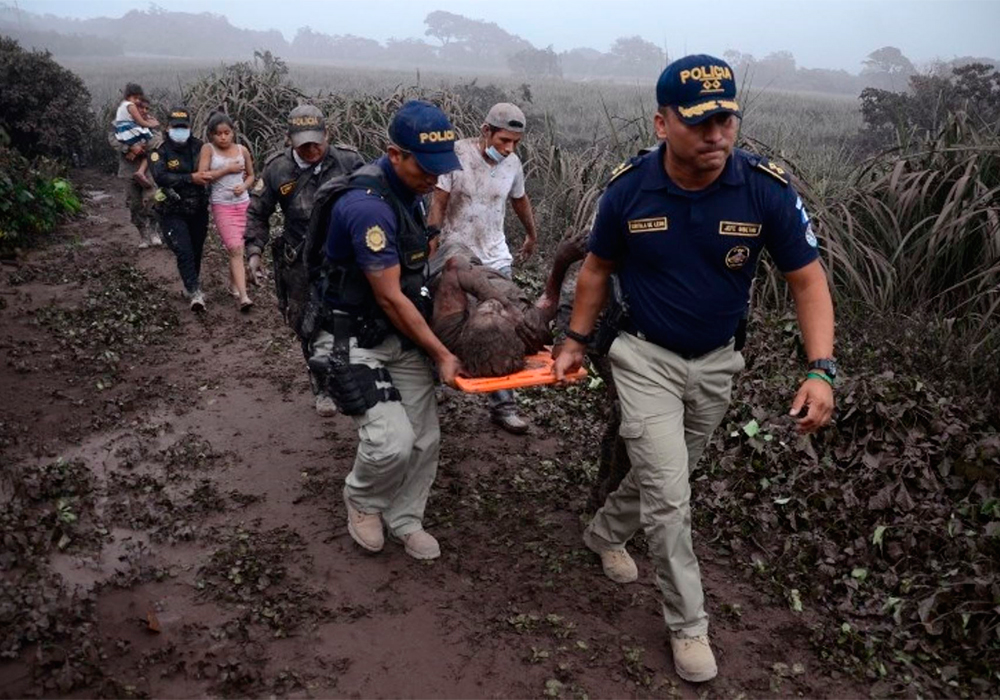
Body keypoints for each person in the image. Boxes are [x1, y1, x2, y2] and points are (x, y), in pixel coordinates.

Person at [553, 55, 837, 684]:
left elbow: (807, 280)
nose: (716, 135)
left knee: (670, 473)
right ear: (662, 123)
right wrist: (575, 339)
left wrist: (821, 369)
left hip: (716, 363)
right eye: (701, 121)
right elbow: (596, 270)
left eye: (727, 120)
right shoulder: (628, 189)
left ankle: (603, 533)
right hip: (642, 355)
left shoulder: (764, 188)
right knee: (671, 496)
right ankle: (689, 627)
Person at [305, 100, 462, 561]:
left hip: (399, 334)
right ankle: (363, 501)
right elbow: (391, 296)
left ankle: (406, 517)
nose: (434, 178)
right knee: (390, 442)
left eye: (440, 169)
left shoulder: (410, 191)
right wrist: (441, 353)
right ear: (395, 154)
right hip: (352, 336)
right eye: (425, 168)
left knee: (425, 438)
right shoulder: (365, 208)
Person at [245, 104, 364, 415]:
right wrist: (254, 251)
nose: (312, 150)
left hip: (346, 257)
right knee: (307, 324)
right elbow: (257, 213)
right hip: (300, 259)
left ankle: (354, 376)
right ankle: (321, 386)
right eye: (303, 144)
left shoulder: (349, 162)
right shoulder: (277, 170)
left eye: (317, 142)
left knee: (351, 319)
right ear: (289, 140)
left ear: (328, 134)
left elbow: (374, 199)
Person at [428, 102, 539, 433]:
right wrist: (431, 245)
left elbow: (519, 199)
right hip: (456, 258)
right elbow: (439, 201)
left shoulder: (513, 164)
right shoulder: (456, 155)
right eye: (504, 140)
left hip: (494, 259)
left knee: (503, 330)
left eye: (515, 143)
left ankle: (504, 405)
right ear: (485, 130)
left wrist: (532, 234)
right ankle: (433, 386)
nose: (509, 149)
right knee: (443, 324)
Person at [429, 234, 585, 377]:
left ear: (467, 328)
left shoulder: (450, 333)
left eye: (485, 311)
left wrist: (504, 305)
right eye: (498, 311)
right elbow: (549, 298)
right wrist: (562, 260)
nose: (492, 304)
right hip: (478, 270)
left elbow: (455, 266)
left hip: (443, 263)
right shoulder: (528, 329)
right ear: (514, 329)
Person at [149, 106, 213, 311]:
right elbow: (160, 177)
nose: (180, 130)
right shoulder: (160, 151)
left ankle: (190, 283)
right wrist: (189, 178)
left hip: (198, 208)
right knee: (183, 249)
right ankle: (194, 291)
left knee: (196, 250)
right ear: (168, 128)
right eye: (176, 127)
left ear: (189, 127)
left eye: (183, 127)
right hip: (172, 209)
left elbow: (210, 169)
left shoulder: (199, 147)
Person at [198, 112, 255, 312]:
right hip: (222, 205)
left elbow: (251, 175)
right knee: (234, 248)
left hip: (244, 204)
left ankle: (234, 285)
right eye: (218, 133)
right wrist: (226, 170)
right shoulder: (208, 149)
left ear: (233, 133)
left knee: (240, 247)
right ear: (211, 135)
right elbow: (203, 175)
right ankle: (244, 297)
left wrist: (244, 186)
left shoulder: (242, 150)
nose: (223, 137)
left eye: (226, 133)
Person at [112, 83, 160, 189]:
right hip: (129, 168)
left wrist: (142, 146)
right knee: (133, 202)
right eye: (141, 108)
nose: (144, 111)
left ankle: (142, 172)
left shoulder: (151, 122)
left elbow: (157, 140)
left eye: (147, 109)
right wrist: (129, 148)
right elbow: (113, 139)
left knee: (151, 198)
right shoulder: (120, 122)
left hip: (149, 172)